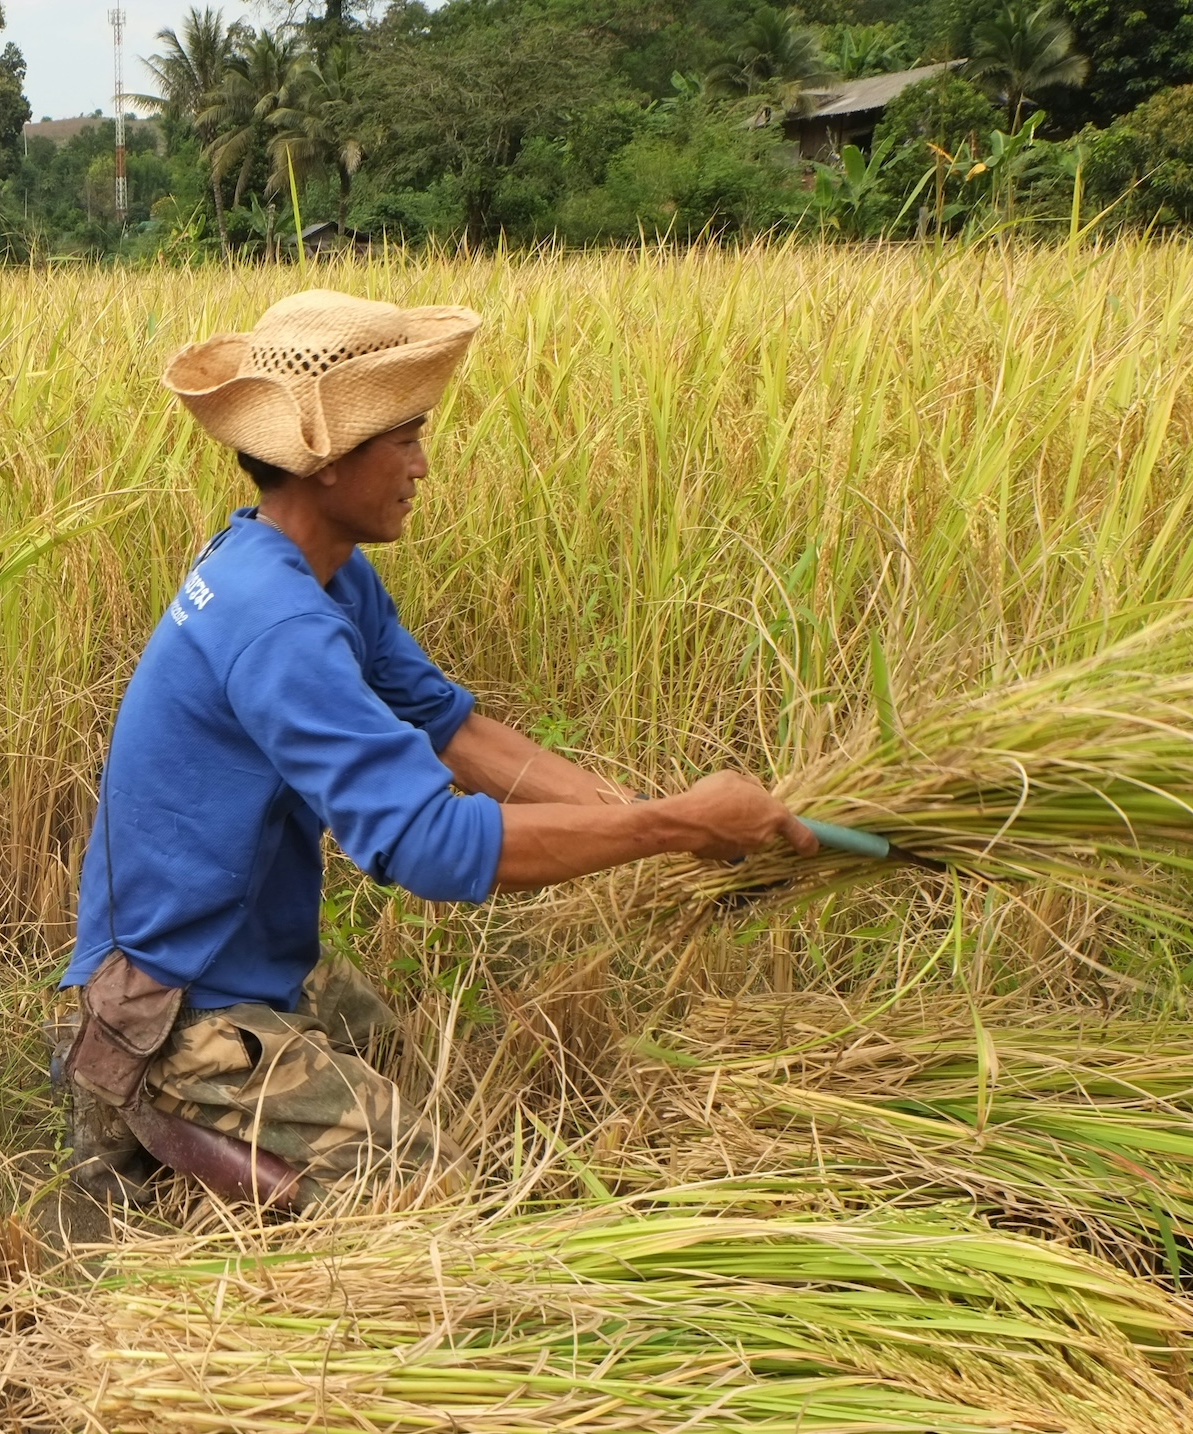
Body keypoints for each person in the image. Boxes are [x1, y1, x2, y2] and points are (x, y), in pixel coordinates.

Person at [55, 290, 817, 1210]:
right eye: (404, 438)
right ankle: (144, 1119)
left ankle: (184, 1134)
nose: (422, 464)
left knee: (389, 1052)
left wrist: (648, 822)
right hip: (171, 1004)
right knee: (427, 1195)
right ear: (330, 459)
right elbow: (429, 847)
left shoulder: (310, 569)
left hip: (239, 961)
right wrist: (666, 827)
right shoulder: (280, 622)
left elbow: (449, 729)